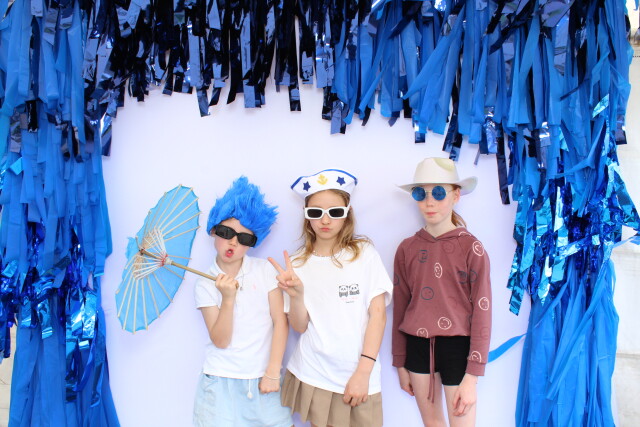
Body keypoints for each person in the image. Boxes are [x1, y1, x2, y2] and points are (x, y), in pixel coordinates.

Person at [269, 169, 393, 427]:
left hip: (359, 372)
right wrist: (297, 296)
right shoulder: (297, 263)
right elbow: (299, 327)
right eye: (315, 212)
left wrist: (363, 372)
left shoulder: (364, 254)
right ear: (306, 215)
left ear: (347, 213)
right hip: (313, 372)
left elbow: (378, 316)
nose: (325, 220)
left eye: (335, 212)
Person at [392, 157, 492, 427]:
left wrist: (473, 375)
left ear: (456, 195)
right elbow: (400, 307)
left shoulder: (471, 247)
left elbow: (483, 310)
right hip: (417, 346)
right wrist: (400, 362)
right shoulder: (407, 248)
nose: (429, 202)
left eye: (438, 192)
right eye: (420, 193)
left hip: (458, 348)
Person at [193, 176, 292, 427]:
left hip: (263, 378)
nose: (233, 242)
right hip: (220, 381)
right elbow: (221, 340)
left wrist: (273, 371)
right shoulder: (205, 283)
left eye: (245, 238)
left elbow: (280, 322)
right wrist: (228, 298)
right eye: (226, 233)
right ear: (213, 231)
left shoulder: (265, 270)